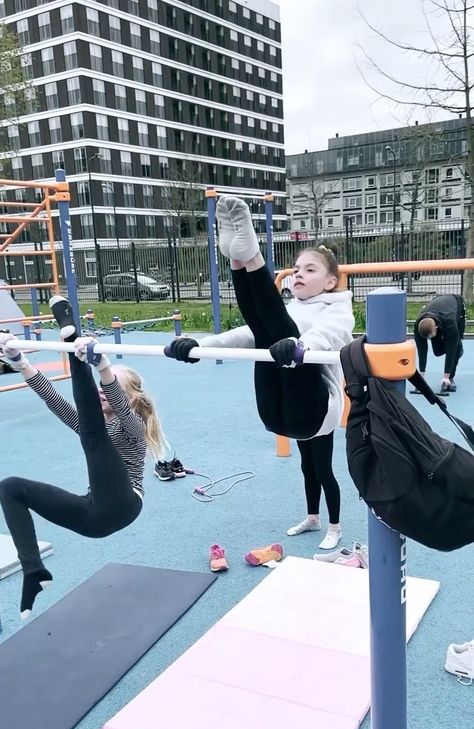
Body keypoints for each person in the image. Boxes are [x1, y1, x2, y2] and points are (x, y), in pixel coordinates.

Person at [166, 197, 354, 550]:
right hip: (279, 409)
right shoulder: (286, 309)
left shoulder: (339, 311)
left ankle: (335, 525)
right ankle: (239, 259)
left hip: (315, 406)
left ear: (330, 283)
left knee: (323, 470)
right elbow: (250, 333)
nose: (299, 273)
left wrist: (300, 347)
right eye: (296, 268)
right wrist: (201, 348)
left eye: (310, 270)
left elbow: (325, 336)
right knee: (268, 327)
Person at [0, 296, 167, 618]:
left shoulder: (134, 427)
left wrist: (102, 366)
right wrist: (21, 362)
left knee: (93, 434)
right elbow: (55, 401)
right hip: (95, 519)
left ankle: (69, 331)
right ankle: (33, 570)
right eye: (104, 384)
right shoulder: (93, 428)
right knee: (10, 487)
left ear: (132, 396)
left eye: (113, 386)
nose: (106, 389)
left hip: (126, 503)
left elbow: (116, 405)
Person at [413, 294, 465, 394]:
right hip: (437, 312)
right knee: (438, 351)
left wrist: (446, 377)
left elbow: (451, 350)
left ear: (436, 328)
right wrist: (421, 376)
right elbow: (421, 350)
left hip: (456, 305)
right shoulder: (418, 324)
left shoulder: (450, 323)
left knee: (455, 348)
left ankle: (450, 377)